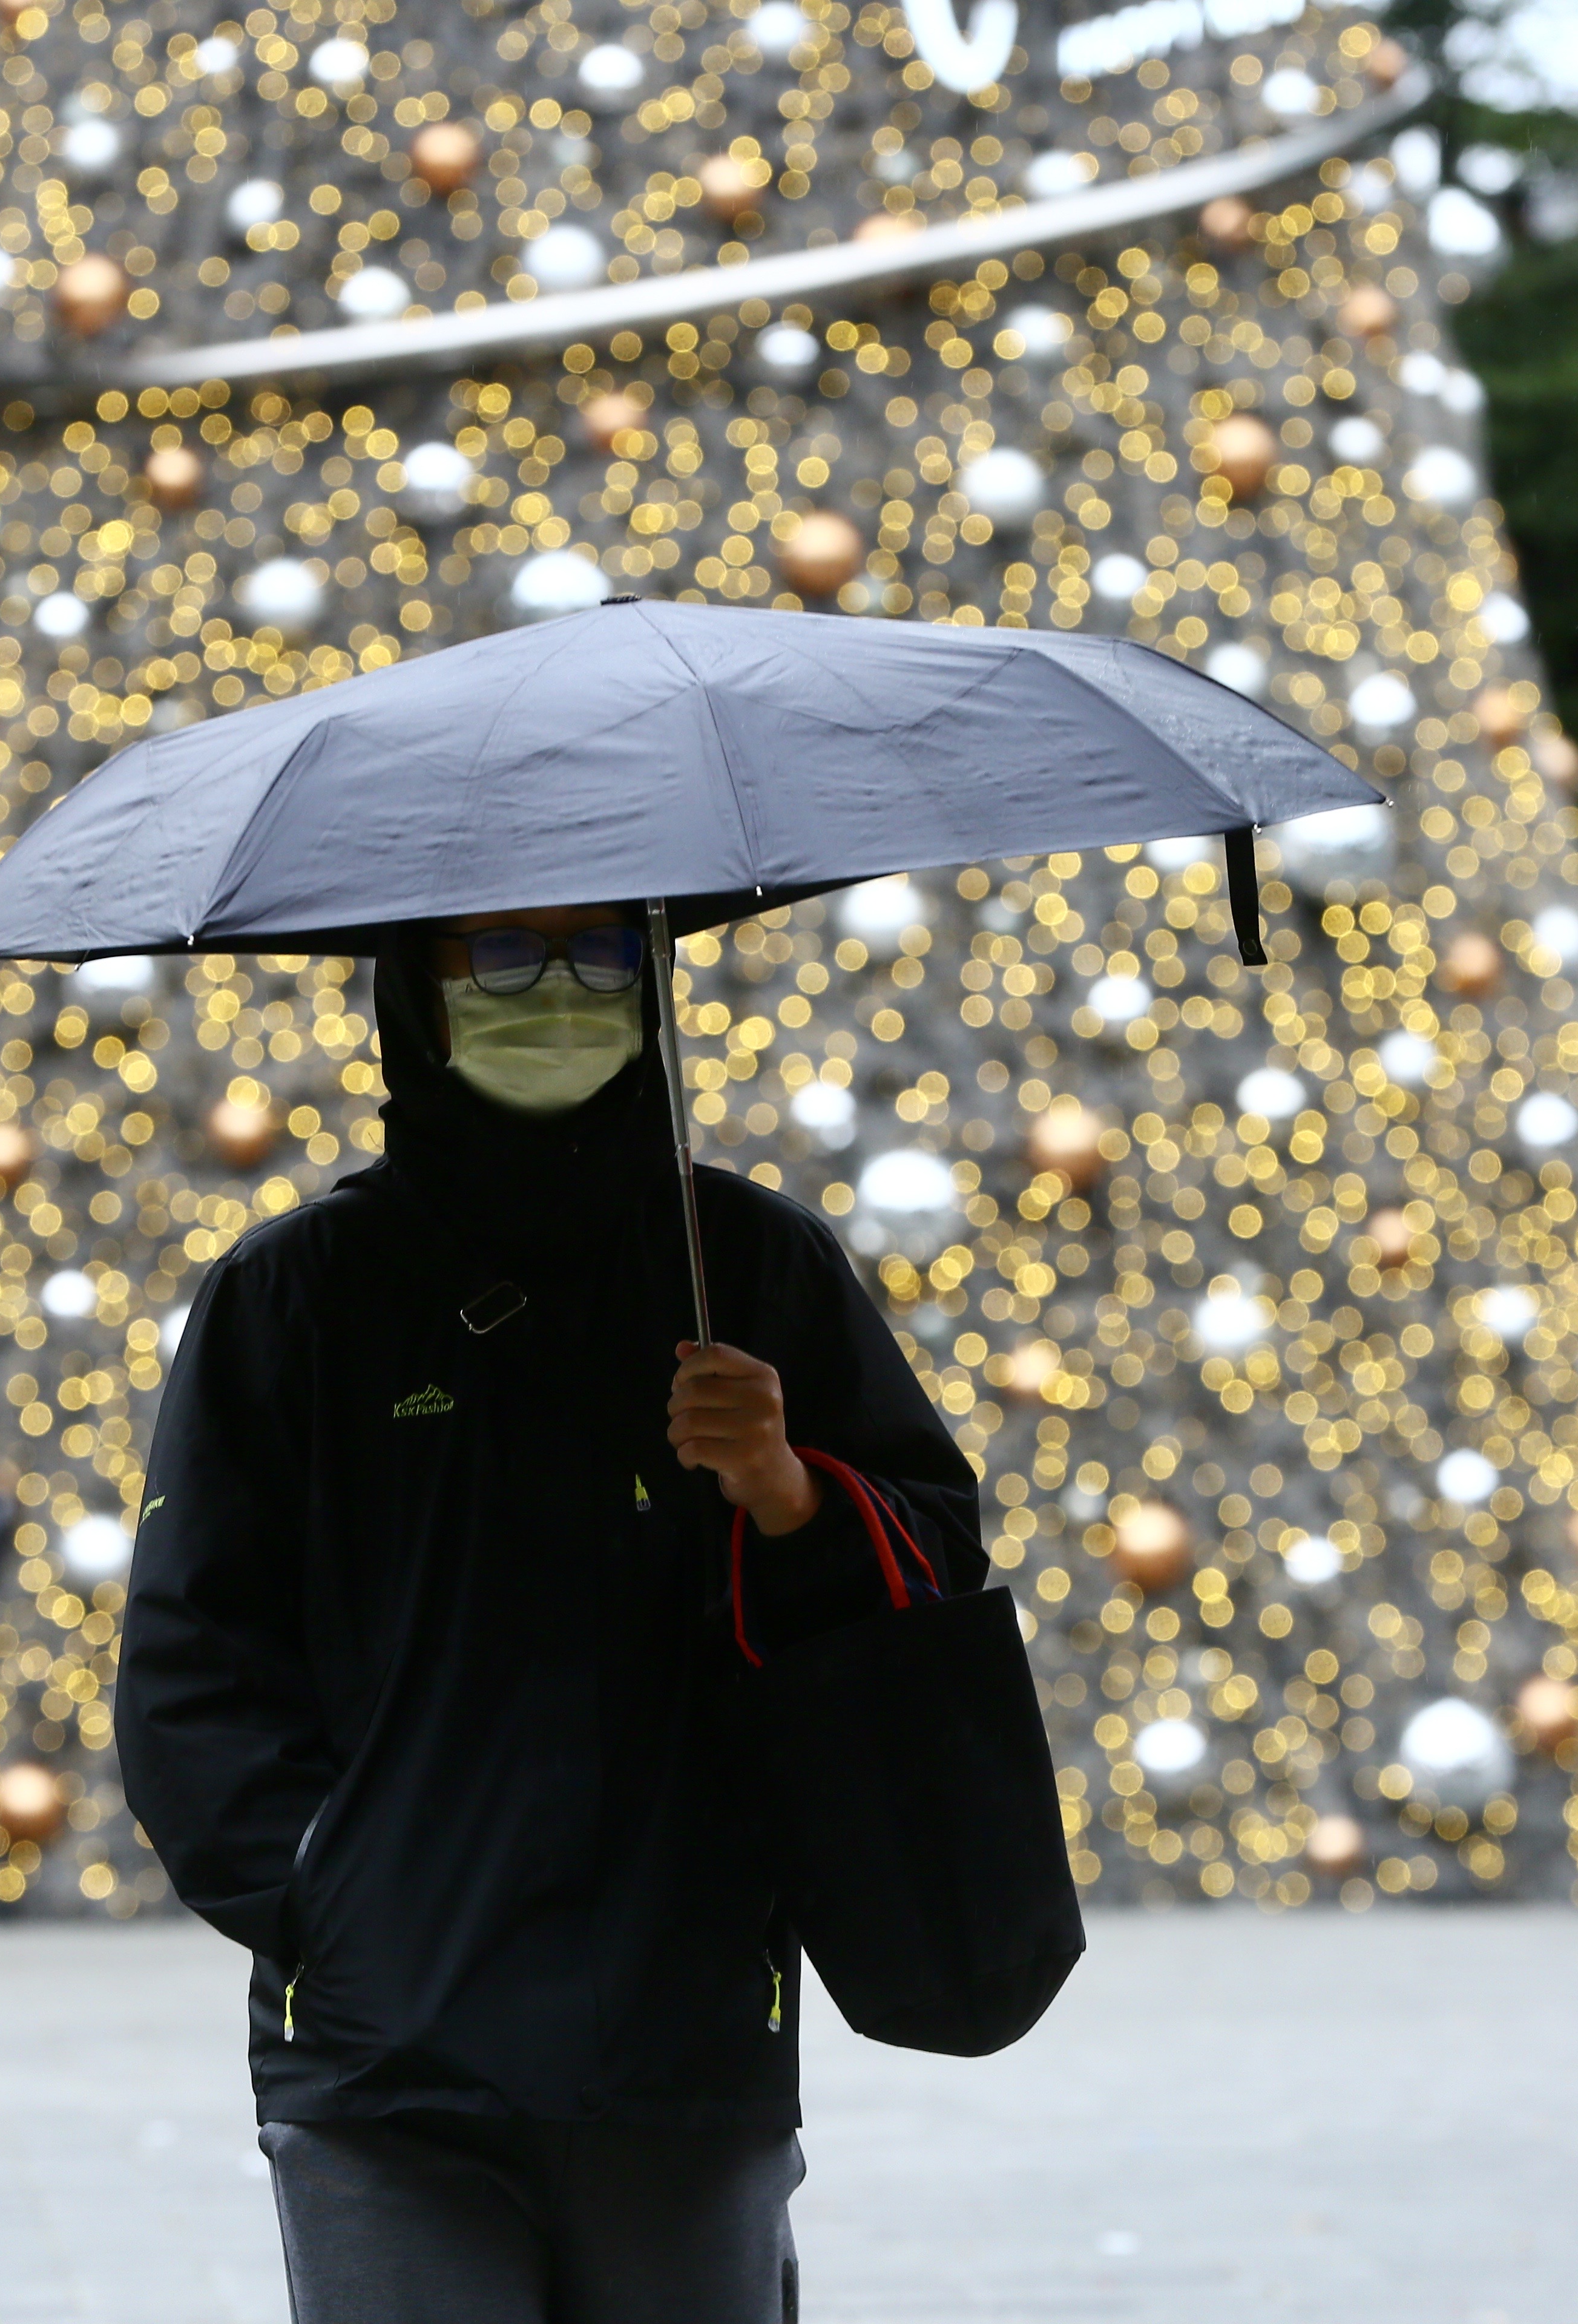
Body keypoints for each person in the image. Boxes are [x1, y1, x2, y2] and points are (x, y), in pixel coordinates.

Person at [116, 902, 982, 2322]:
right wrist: (331, 1892)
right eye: (505, 954)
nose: (560, 992)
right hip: (390, 2065)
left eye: (602, 954)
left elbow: (930, 1571)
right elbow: (189, 1661)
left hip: (686, 2029)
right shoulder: (296, 1295)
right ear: (417, 985)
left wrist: (785, 1483)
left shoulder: (754, 1268)